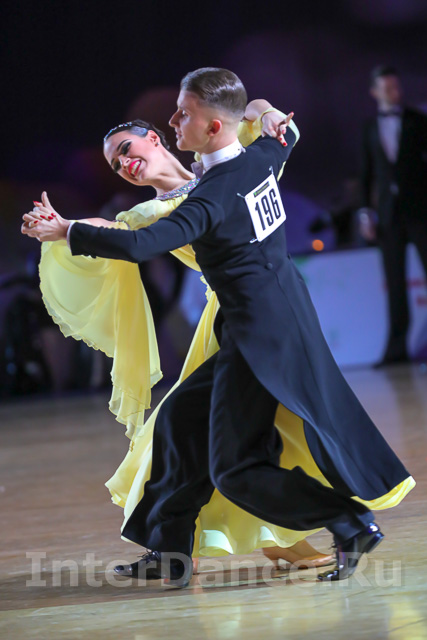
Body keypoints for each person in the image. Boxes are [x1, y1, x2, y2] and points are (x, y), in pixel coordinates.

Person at [23, 68, 414, 587]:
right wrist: (267, 114)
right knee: (177, 421)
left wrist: (67, 230)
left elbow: (141, 243)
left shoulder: (209, 195)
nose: (124, 163)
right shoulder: (258, 157)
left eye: (128, 148)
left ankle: (345, 524)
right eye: (115, 163)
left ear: (180, 133)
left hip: (255, 326)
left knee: (235, 465)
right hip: (253, 315)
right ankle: (171, 550)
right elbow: (273, 130)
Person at [359, 65, 427, 366]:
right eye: (386, 88)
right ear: (375, 92)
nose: (393, 92)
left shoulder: (417, 120)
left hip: (420, 211)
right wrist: (365, 213)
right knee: (395, 284)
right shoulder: (369, 128)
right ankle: (397, 350)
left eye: (395, 87)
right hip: (388, 215)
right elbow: (366, 174)